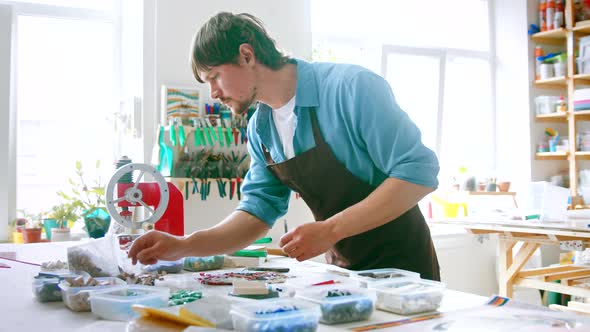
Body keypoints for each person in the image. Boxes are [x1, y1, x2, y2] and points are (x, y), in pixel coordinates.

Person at [128, 12, 441, 280]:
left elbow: (419, 173)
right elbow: (256, 211)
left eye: (215, 77)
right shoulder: (260, 129)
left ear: (246, 56)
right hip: (348, 273)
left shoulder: (350, 88)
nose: (213, 94)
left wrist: (330, 230)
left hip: (406, 271)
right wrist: (184, 245)